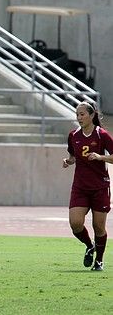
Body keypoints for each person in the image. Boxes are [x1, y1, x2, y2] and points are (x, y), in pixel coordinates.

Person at [62, 101, 113, 271]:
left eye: (82, 114)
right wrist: (68, 161)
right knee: (75, 223)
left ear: (92, 116)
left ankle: (99, 261)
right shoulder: (73, 135)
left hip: (100, 186)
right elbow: (73, 156)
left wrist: (100, 157)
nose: (79, 117)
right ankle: (89, 245)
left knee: (98, 227)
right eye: (77, 114)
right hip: (80, 187)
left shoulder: (101, 135)